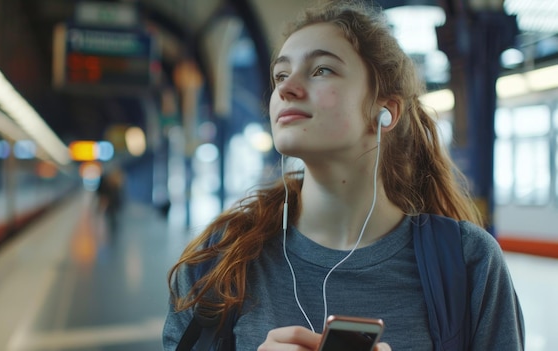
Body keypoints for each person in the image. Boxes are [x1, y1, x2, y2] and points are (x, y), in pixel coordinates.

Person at [163, 0, 525, 350]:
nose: (286, 88)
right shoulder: (219, 261)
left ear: (385, 111)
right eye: (281, 75)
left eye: (322, 70)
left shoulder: (467, 263)